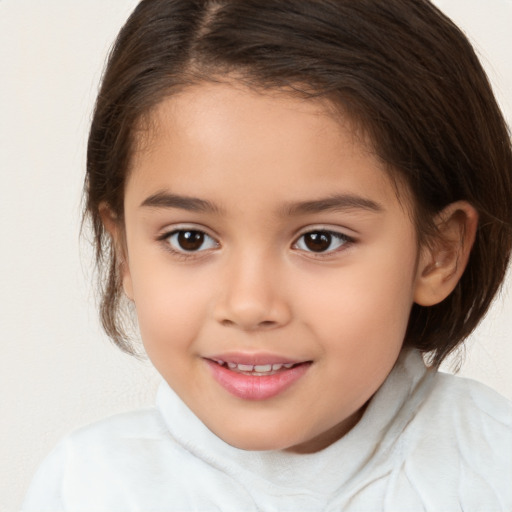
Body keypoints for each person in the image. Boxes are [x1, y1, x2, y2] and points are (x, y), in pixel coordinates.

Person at [22, 0, 512, 510]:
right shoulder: (86, 488)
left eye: (320, 239)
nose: (250, 304)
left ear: (438, 251)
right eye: (189, 238)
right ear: (124, 252)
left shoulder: (495, 472)